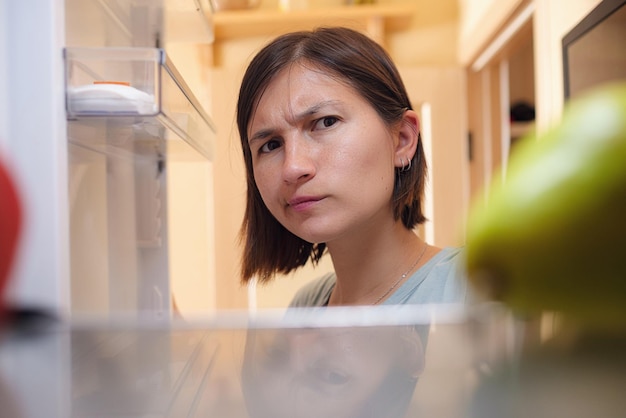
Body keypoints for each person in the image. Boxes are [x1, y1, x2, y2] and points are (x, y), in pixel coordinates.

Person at [236, 26, 469, 307]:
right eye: (271, 145)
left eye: (326, 122)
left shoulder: (472, 290)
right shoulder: (306, 306)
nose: (293, 167)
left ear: (402, 140)